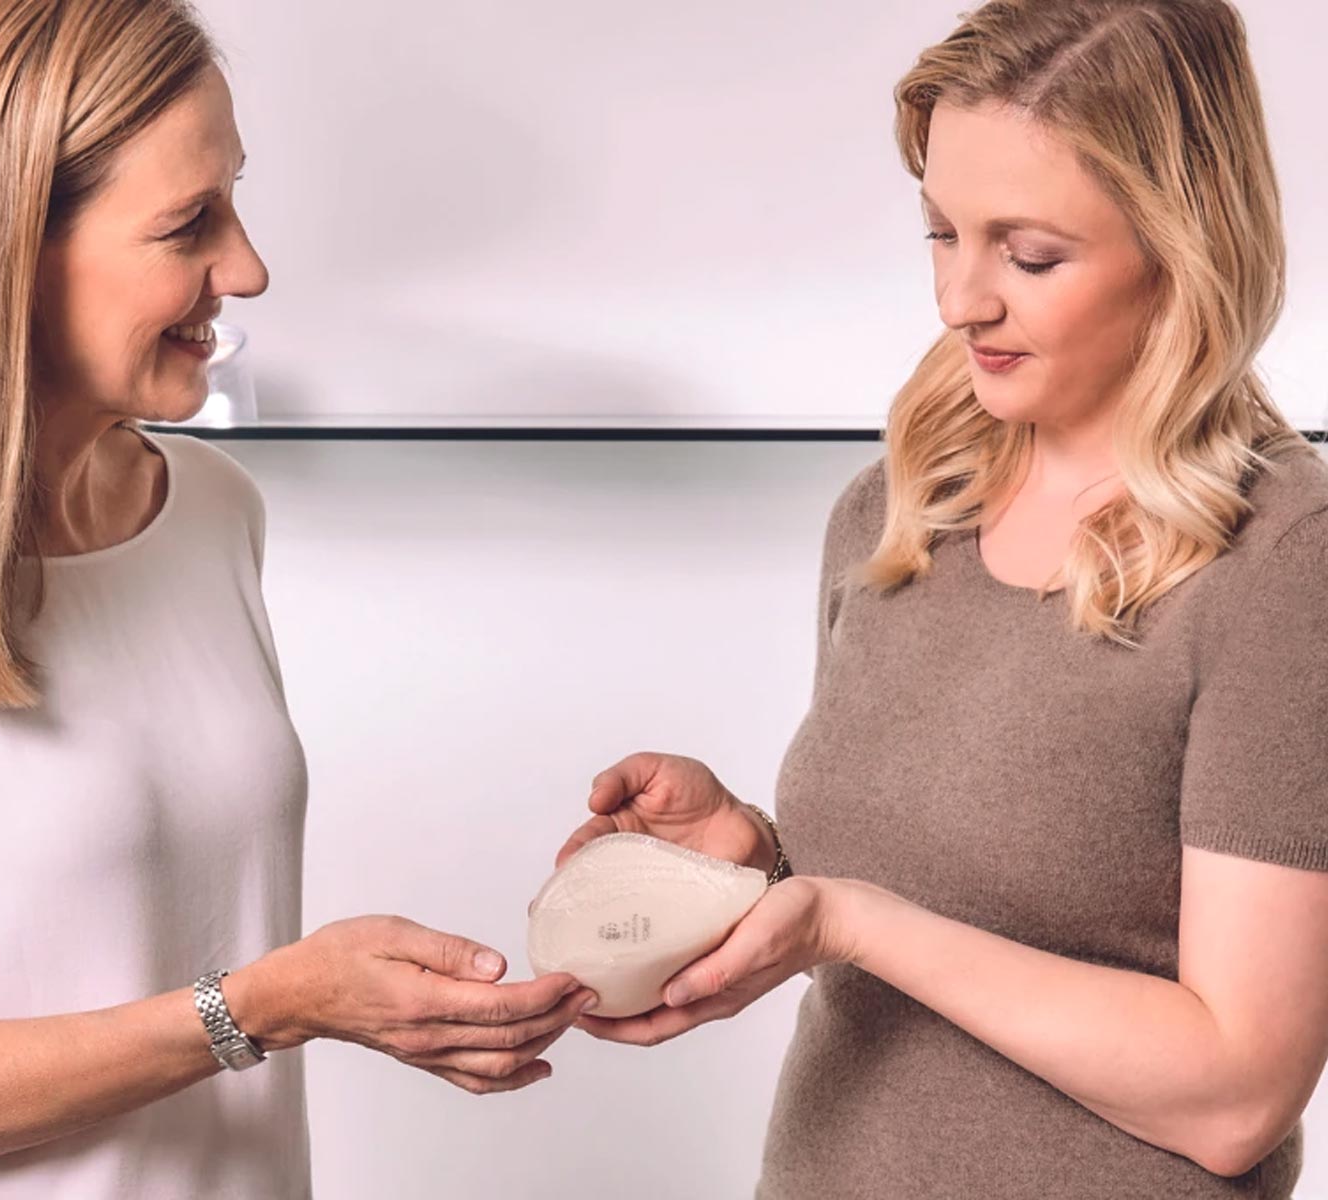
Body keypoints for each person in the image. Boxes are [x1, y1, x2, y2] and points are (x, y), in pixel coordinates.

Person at [0, 1, 594, 1195]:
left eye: (232, 200)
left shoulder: (211, 514)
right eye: (189, 223)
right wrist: (262, 1008)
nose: (246, 268)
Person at [558, 1, 1328, 1196]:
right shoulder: (904, 506)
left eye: (1026, 256)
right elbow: (926, 894)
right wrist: (747, 865)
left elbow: (1234, 1093)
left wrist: (845, 918)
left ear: (1185, 246)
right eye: (939, 233)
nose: (959, 299)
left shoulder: (1282, 561)